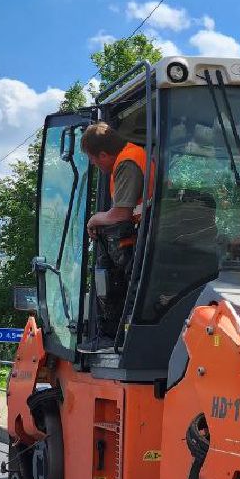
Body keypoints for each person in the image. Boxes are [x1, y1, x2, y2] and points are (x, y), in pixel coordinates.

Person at [81, 122, 153, 346]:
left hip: (144, 243)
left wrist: (94, 219)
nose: (94, 164)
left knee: (110, 277)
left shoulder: (128, 162)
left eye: (93, 159)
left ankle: (111, 336)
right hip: (145, 236)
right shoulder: (132, 156)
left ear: (103, 154)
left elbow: (120, 215)